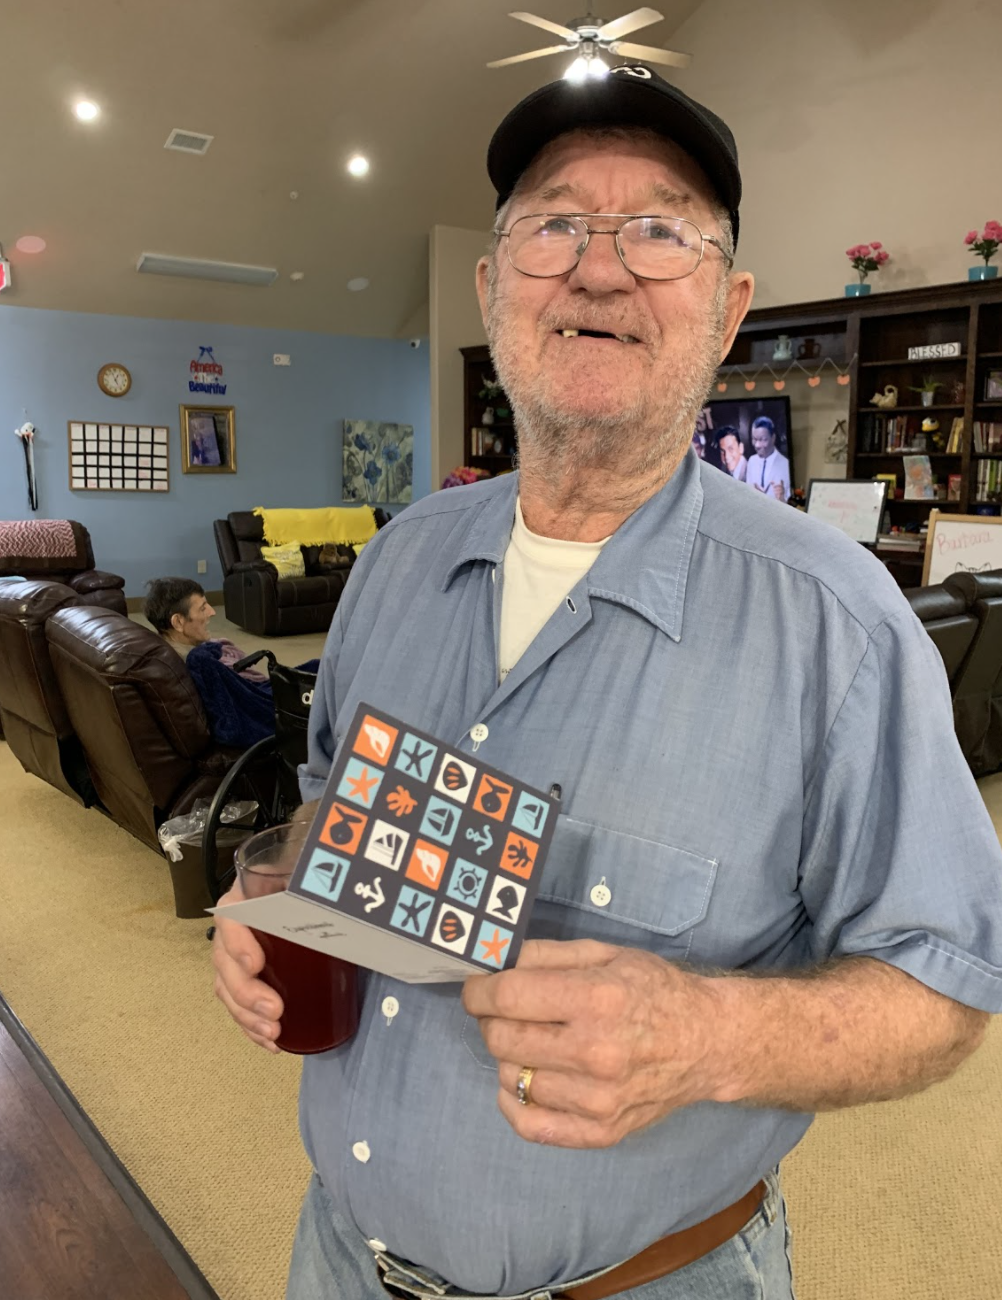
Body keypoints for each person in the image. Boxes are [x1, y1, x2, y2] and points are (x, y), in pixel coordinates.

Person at [212, 65, 1002, 1300]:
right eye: (554, 224)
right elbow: (330, 821)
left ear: (729, 306)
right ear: (491, 285)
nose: (599, 267)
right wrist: (275, 927)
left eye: (659, 231)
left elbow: (946, 977)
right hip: (338, 1259)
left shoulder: (839, 624)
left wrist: (706, 1036)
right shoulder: (394, 564)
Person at [143, 577, 267, 681]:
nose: (212, 612)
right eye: (202, 608)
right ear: (178, 622)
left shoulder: (168, 647)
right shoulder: (196, 665)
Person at [746, 415, 791, 501]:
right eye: (754, 439)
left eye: (763, 440)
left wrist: (781, 498)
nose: (757, 445)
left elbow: (791, 506)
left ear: (773, 438)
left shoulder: (785, 464)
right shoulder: (751, 461)